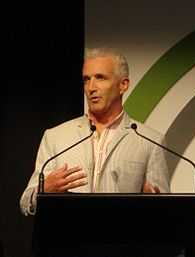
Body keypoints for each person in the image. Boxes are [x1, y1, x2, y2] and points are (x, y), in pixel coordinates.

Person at [20, 47, 170, 216]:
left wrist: (156, 205)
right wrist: (43, 190)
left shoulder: (150, 141)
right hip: (68, 240)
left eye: (100, 78)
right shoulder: (55, 137)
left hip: (123, 241)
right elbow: (26, 203)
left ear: (123, 85)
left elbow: (164, 212)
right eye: (86, 79)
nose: (91, 87)